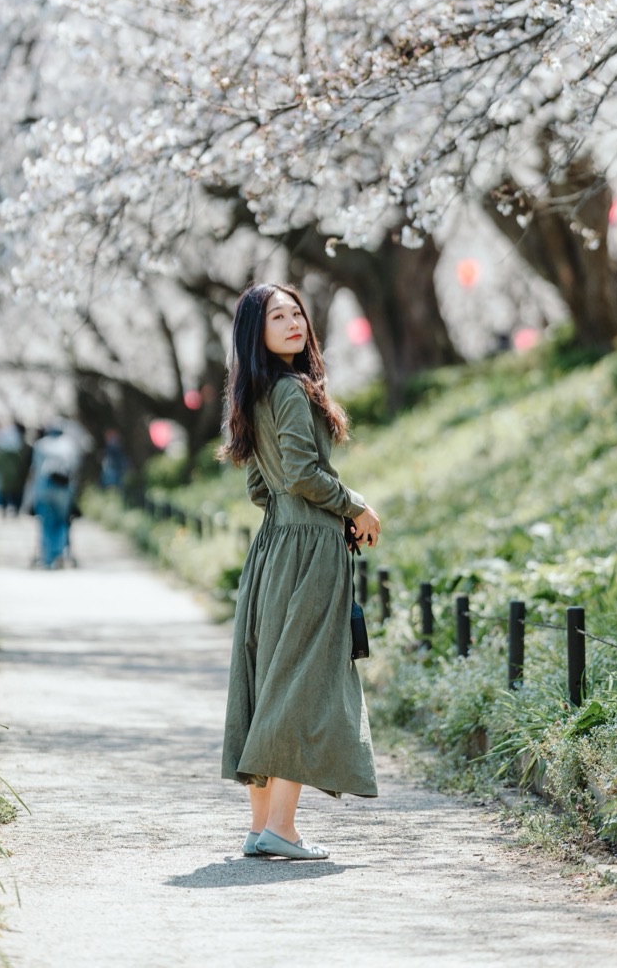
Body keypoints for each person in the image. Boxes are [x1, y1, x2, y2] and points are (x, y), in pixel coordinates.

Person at [220, 283, 381, 861]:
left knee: (269, 676)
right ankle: (282, 830)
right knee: (302, 681)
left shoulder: (254, 394)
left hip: (272, 549)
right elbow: (304, 475)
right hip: (309, 550)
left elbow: (260, 484)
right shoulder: (292, 390)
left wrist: (295, 514)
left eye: (296, 313)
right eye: (276, 316)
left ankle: (261, 825)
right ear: (255, 331)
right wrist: (355, 506)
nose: (293, 323)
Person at [25, 423, 83, 568]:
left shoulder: (40, 446)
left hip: (44, 489)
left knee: (46, 522)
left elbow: (35, 470)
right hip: (63, 490)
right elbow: (75, 469)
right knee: (61, 522)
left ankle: (47, 557)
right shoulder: (69, 445)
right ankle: (59, 554)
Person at [0, 421, 32, 515]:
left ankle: (4, 510)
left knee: (4, 491)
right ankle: (15, 511)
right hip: (17, 476)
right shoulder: (21, 448)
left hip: (5, 476)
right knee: (16, 493)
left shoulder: (2, 447)